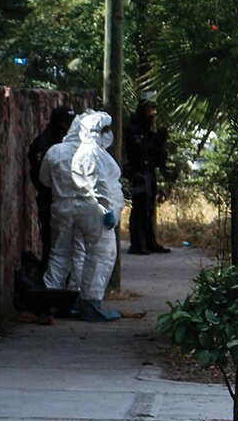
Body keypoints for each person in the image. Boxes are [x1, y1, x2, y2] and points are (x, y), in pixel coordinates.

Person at [68, 111, 124, 321]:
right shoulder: (91, 153)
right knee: (102, 256)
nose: (110, 133)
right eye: (107, 129)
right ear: (97, 131)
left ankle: (87, 302)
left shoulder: (93, 151)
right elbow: (98, 184)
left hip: (91, 210)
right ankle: (90, 304)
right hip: (96, 212)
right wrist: (107, 209)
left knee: (94, 256)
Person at [40, 112, 89, 292]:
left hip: (61, 205)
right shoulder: (91, 153)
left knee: (59, 252)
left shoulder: (54, 151)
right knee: (81, 252)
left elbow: (44, 180)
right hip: (85, 207)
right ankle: (76, 295)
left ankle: (51, 292)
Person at [28, 106, 76, 266]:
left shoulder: (70, 143)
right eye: (67, 124)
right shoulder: (43, 144)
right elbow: (40, 178)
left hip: (69, 200)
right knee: (52, 244)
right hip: (50, 200)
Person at [125, 98, 170, 254]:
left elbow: (155, 153)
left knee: (149, 208)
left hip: (148, 172)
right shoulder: (134, 130)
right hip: (138, 172)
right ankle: (137, 244)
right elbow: (141, 149)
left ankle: (150, 242)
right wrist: (157, 140)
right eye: (150, 111)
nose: (153, 114)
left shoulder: (147, 131)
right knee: (139, 207)